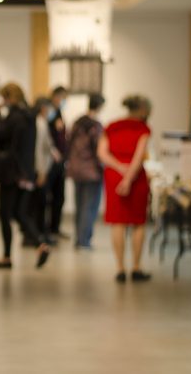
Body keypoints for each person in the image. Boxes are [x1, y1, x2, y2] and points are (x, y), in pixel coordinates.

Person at [0, 83, 51, 269]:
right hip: (25, 172)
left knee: (5, 214)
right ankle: (41, 243)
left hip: (10, 173)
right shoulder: (30, 117)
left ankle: (6, 256)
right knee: (20, 213)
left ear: (10, 97)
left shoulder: (15, 117)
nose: (3, 102)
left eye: (4, 98)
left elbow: (0, 135)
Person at [98, 95, 152, 283]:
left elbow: (102, 153)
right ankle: (136, 267)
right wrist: (129, 177)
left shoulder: (112, 126)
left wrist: (119, 168)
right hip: (135, 177)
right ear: (143, 110)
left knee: (118, 222)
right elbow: (138, 157)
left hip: (114, 175)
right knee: (138, 222)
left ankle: (120, 268)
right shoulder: (143, 129)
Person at [68, 93, 106, 249]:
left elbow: (68, 144)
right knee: (89, 206)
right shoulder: (95, 126)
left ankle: (79, 238)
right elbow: (99, 150)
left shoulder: (77, 123)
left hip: (75, 169)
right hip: (91, 171)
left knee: (79, 205)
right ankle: (84, 240)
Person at [27, 97, 60, 245]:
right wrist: (41, 172)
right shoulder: (39, 124)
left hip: (41, 169)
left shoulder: (41, 122)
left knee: (38, 205)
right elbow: (39, 150)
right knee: (38, 205)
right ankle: (38, 237)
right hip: (39, 170)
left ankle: (38, 235)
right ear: (43, 108)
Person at [47, 86, 69, 239]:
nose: (64, 101)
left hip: (60, 160)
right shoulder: (49, 112)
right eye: (62, 98)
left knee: (59, 196)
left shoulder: (59, 112)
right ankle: (47, 229)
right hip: (51, 161)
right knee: (49, 197)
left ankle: (55, 228)